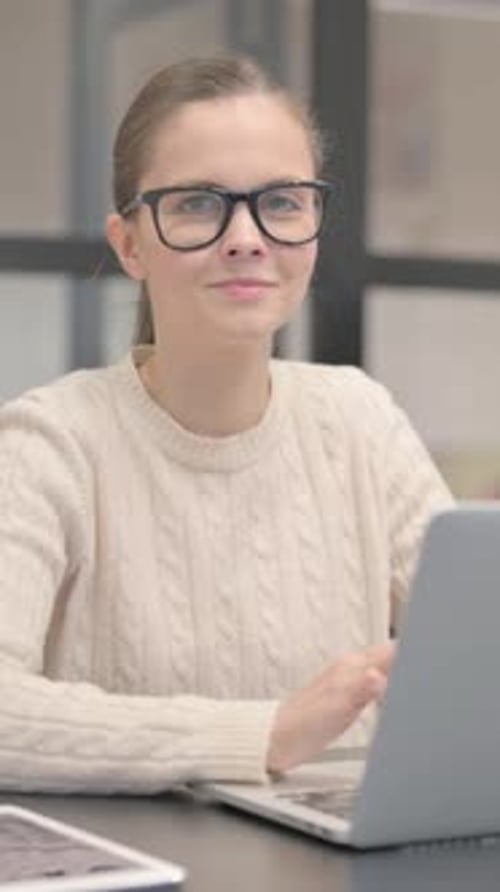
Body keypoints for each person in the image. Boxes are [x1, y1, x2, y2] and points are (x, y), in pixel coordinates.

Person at [0, 55, 452, 794]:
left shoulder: (360, 419)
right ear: (130, 244)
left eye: (282, 202)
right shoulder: (49, 443)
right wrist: (264, 735)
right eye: (198, 204)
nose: (247, 237)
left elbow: (476, 649)